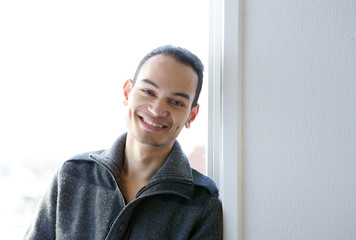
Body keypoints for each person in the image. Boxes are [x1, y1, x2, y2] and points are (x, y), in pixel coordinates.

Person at [24, 45, 223, 239]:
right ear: (127, 92)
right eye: (148, 91)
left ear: (192, 115)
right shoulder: (72, 174)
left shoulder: (202, 204)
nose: (156, 110)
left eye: (176, 102)